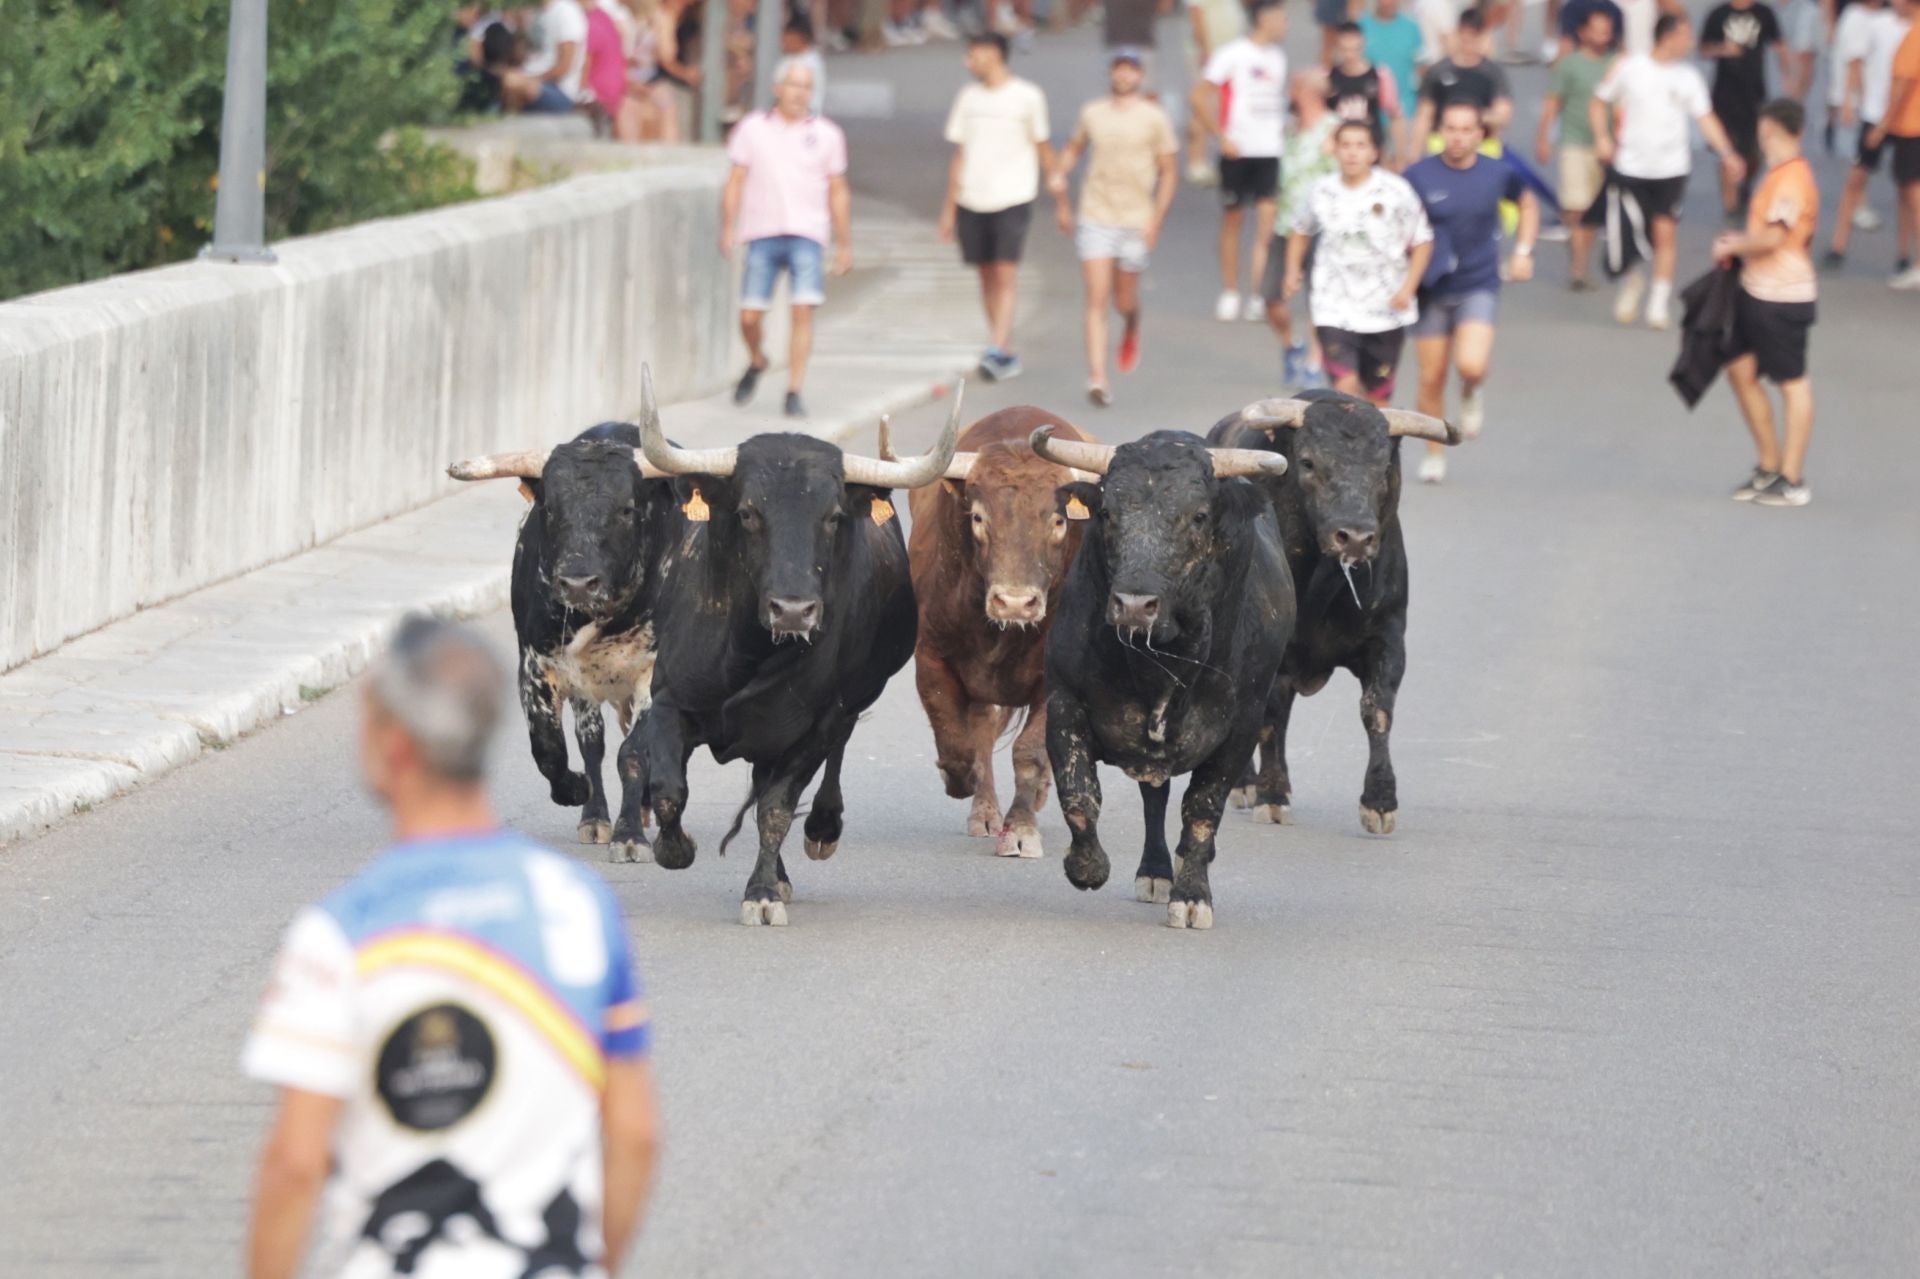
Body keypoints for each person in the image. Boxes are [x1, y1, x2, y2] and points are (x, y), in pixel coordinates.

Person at [243, 617, 659, 1279]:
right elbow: (634, 1133)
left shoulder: (341, 933)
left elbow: (295, 1164)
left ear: (395, 744)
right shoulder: (580, 906)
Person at [1404, 101, 1539, 483]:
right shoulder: (1418, 175)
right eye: (1451, 128)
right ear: (1440, 132)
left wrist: (1523, 252)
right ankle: (1434, 453)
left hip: (1478, 283)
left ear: (1480, 134)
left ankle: (1471, 390)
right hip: (1431, 287)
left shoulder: (1497, 173)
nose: (1458, 137)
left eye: (1467, 130)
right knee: (1431, 378)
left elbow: (1527, 203)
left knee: (1471, 364)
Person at [1591, 14, 1747, 326]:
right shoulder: (1630, 67)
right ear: (1667, 37)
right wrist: (1602, 137)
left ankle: (1658, 303)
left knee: (1665, 233)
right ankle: (1632, 279)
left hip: (1671, 169)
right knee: (1623, 236)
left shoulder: (1687, 78)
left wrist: (1728, 153)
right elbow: (1599, 101)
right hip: (1630, 166)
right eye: (1685, 36)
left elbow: (1705, 118)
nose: (1690, 43)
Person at [722, 60, 851, 420]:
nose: (799, 93)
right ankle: (757, 358)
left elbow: (838, 189)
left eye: (806, 87)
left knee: (802, 310)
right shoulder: (753, 128)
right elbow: (735, 179)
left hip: (807, 232)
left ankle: (794, 389)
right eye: (794, 85)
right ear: (777, 88)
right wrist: (728, 226)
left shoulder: (827, 134)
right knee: (749, 316)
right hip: (761, 231)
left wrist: (844, 242)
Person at [1052, 49, 1179, 406]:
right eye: (1119, 69)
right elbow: (1075, 148)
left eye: (1130, 70)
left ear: (1140, 76)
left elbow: (1169, 171)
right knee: (1097, 296)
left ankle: (1132, 323)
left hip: (1136, 218)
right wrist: (1059, 174)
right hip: (1096, 214)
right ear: (1111, 73)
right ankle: (1097, 376)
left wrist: (1156, 220)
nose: (1124, 76)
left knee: (1124, 299)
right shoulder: (1093, 112)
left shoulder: (1154, 117)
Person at [1285, 120, 1435, 405]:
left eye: (1360, 145)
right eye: (1345, 145)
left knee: (1378, 400)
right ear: (1335, 150)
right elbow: (1300, 229)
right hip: (1333, 305)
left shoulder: (1396, 191)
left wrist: (1408, 288)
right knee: (1345, 389)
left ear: (1374, 152)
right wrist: (1293, 270)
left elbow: (1422, 240)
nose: (1352, 153)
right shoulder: (1321, 191)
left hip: (1385, 308)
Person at [1716, 100, 1818, 505]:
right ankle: (1768, 465)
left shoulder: (1792, 179)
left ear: (1768, 129)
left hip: (1784, 295)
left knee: (1792, 381)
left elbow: (1775, 237)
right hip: (1757, 289)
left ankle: (1792, 478)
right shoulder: (1778, 173)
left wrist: (1734, 245)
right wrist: (1740, 246)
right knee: (1740, 370)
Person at [940, 33, 1055, 380]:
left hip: (1013, 195)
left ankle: (996, 345)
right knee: (986, 273)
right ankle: (1003, 348)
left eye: (973, 55)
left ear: (993, 54)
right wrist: (948, 209)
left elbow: (1043, 146)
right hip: (972, 196)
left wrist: (1060, 194)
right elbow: (959, 154)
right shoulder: (968, 97)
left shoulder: (1027, 96)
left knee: (1005, 272)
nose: (968, 62)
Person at [1194, 0, 1291, 324]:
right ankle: (1230, 290)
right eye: (1281, 17)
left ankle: (1258, 294)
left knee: (1267, 226)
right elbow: (1199, 96)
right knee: (1233, 221)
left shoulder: (1278, 58)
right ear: (1264, 18)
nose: (1286, 23)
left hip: (1270, 150)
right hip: (1237, 150)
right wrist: (1220, 136)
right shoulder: (1231, 54)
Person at [1267, 70, 1342, 384]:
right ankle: (1290, 345)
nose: (1290, 92)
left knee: (1318, 298)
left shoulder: (1335, 129)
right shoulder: (1290, 128)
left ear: (1306, 91)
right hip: (1286, 223)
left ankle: (1313, 362)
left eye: (1294, 87)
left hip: (1322, 226)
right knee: (1271, 297)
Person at [1827, 0, 1913, 270]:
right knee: (1856, 179)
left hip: (1905, 118)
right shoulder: (1878, 24)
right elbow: (1856, 63)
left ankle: (1904, 254)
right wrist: (1852, 99)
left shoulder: (1914, 30)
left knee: (1907, 187)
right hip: (1876, 113)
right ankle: (1838, 246)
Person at [1536, 6, 1616, 288]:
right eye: (1597, 29)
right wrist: (1543, 139)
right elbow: (1552, 104)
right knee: (1575, 206)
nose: (1603, 35)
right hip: (1573, 143)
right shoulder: (1569, 65)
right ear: (1583, 32)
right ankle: (1578, 268)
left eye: (1607, 30)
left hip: (1604, 148)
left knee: (1591, 211)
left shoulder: (1615, 65)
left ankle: (1579, 258)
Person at [1701, 0, 1788, 216]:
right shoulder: (1718, 14)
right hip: (1724, 94)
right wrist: (1723, 49)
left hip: (1754, 94)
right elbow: (1703, 49)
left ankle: (1745, 183)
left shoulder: (1763, 13)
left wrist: (1788, 77)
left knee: (1754, 152)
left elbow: (1779, 44)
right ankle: (1730, 206)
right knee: (1727, 149)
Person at [1408, 9, 1514, 165]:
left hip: (1482, 147)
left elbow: (1503, 113)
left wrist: (1476, 118)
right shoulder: (1438, 71)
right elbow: (1425, 114)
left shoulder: (1492, 73)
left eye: (1473, 38)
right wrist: (1414, 154)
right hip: (1442, 145)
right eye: (1464, 38)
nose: (1468, 44)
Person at [1865, 0, 1920, 287]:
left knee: (1913, 194)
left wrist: (1883, 125)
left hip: (1912, 127)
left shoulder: (1915, 35)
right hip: (1910, 126)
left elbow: (1902, 84)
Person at [1185, 0, 1249, 184]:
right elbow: (1196, 14)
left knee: (1229, 104)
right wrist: (1204, 49)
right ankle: (1196, 161)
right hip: (1212, 51)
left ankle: (1231, 154)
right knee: (1203, 105)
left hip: (1231, 50)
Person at [1330, 21, 1409, 161]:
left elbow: (1394, 115)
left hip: (1371, 152)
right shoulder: (1329, 78)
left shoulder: (1380, 76)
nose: (1349, 55)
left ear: (1362, 44)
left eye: (1354, 49)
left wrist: (1401, 155)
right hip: (1339, 153)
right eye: (1345, 50)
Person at [502, 0, 590, 113]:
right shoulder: (539, 13)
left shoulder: (566, 12)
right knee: (502, 77)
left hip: (560, 90)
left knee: (511, 81)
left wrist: (532, 79)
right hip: (536, 78)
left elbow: (565, 66)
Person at [1361, 0, 1426, 116]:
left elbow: (1421, 69)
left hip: (1405, 108)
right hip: (1369, 110)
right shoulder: (1361, 27)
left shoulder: (1411, 28)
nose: (1388, 3)